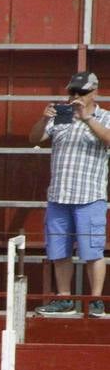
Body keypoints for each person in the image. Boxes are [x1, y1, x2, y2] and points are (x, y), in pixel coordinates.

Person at [28, 70, 110, 318]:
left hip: (89, 197)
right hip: (59, 196)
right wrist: (44, 119)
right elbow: (34, 138)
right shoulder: (60, 117)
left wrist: (87, 119)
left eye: (81, 92)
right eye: (73, 91)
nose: (76, 96)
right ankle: (64, 298)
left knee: (92, 251)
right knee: (58, 250)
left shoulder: (105, 117)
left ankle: (95, 301)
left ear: (94, 92)